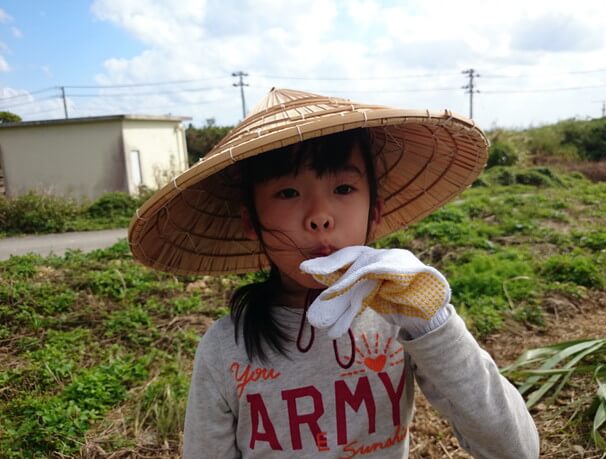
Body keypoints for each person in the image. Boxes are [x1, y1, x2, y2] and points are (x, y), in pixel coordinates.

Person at [128, 88, 539, 458]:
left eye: (343, 189)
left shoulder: (400, 318)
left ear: (373, 214)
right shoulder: (225, 349)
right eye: (288, 193)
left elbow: (516, 448)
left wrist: (434, 322)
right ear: (252, 221)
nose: (320, 217)